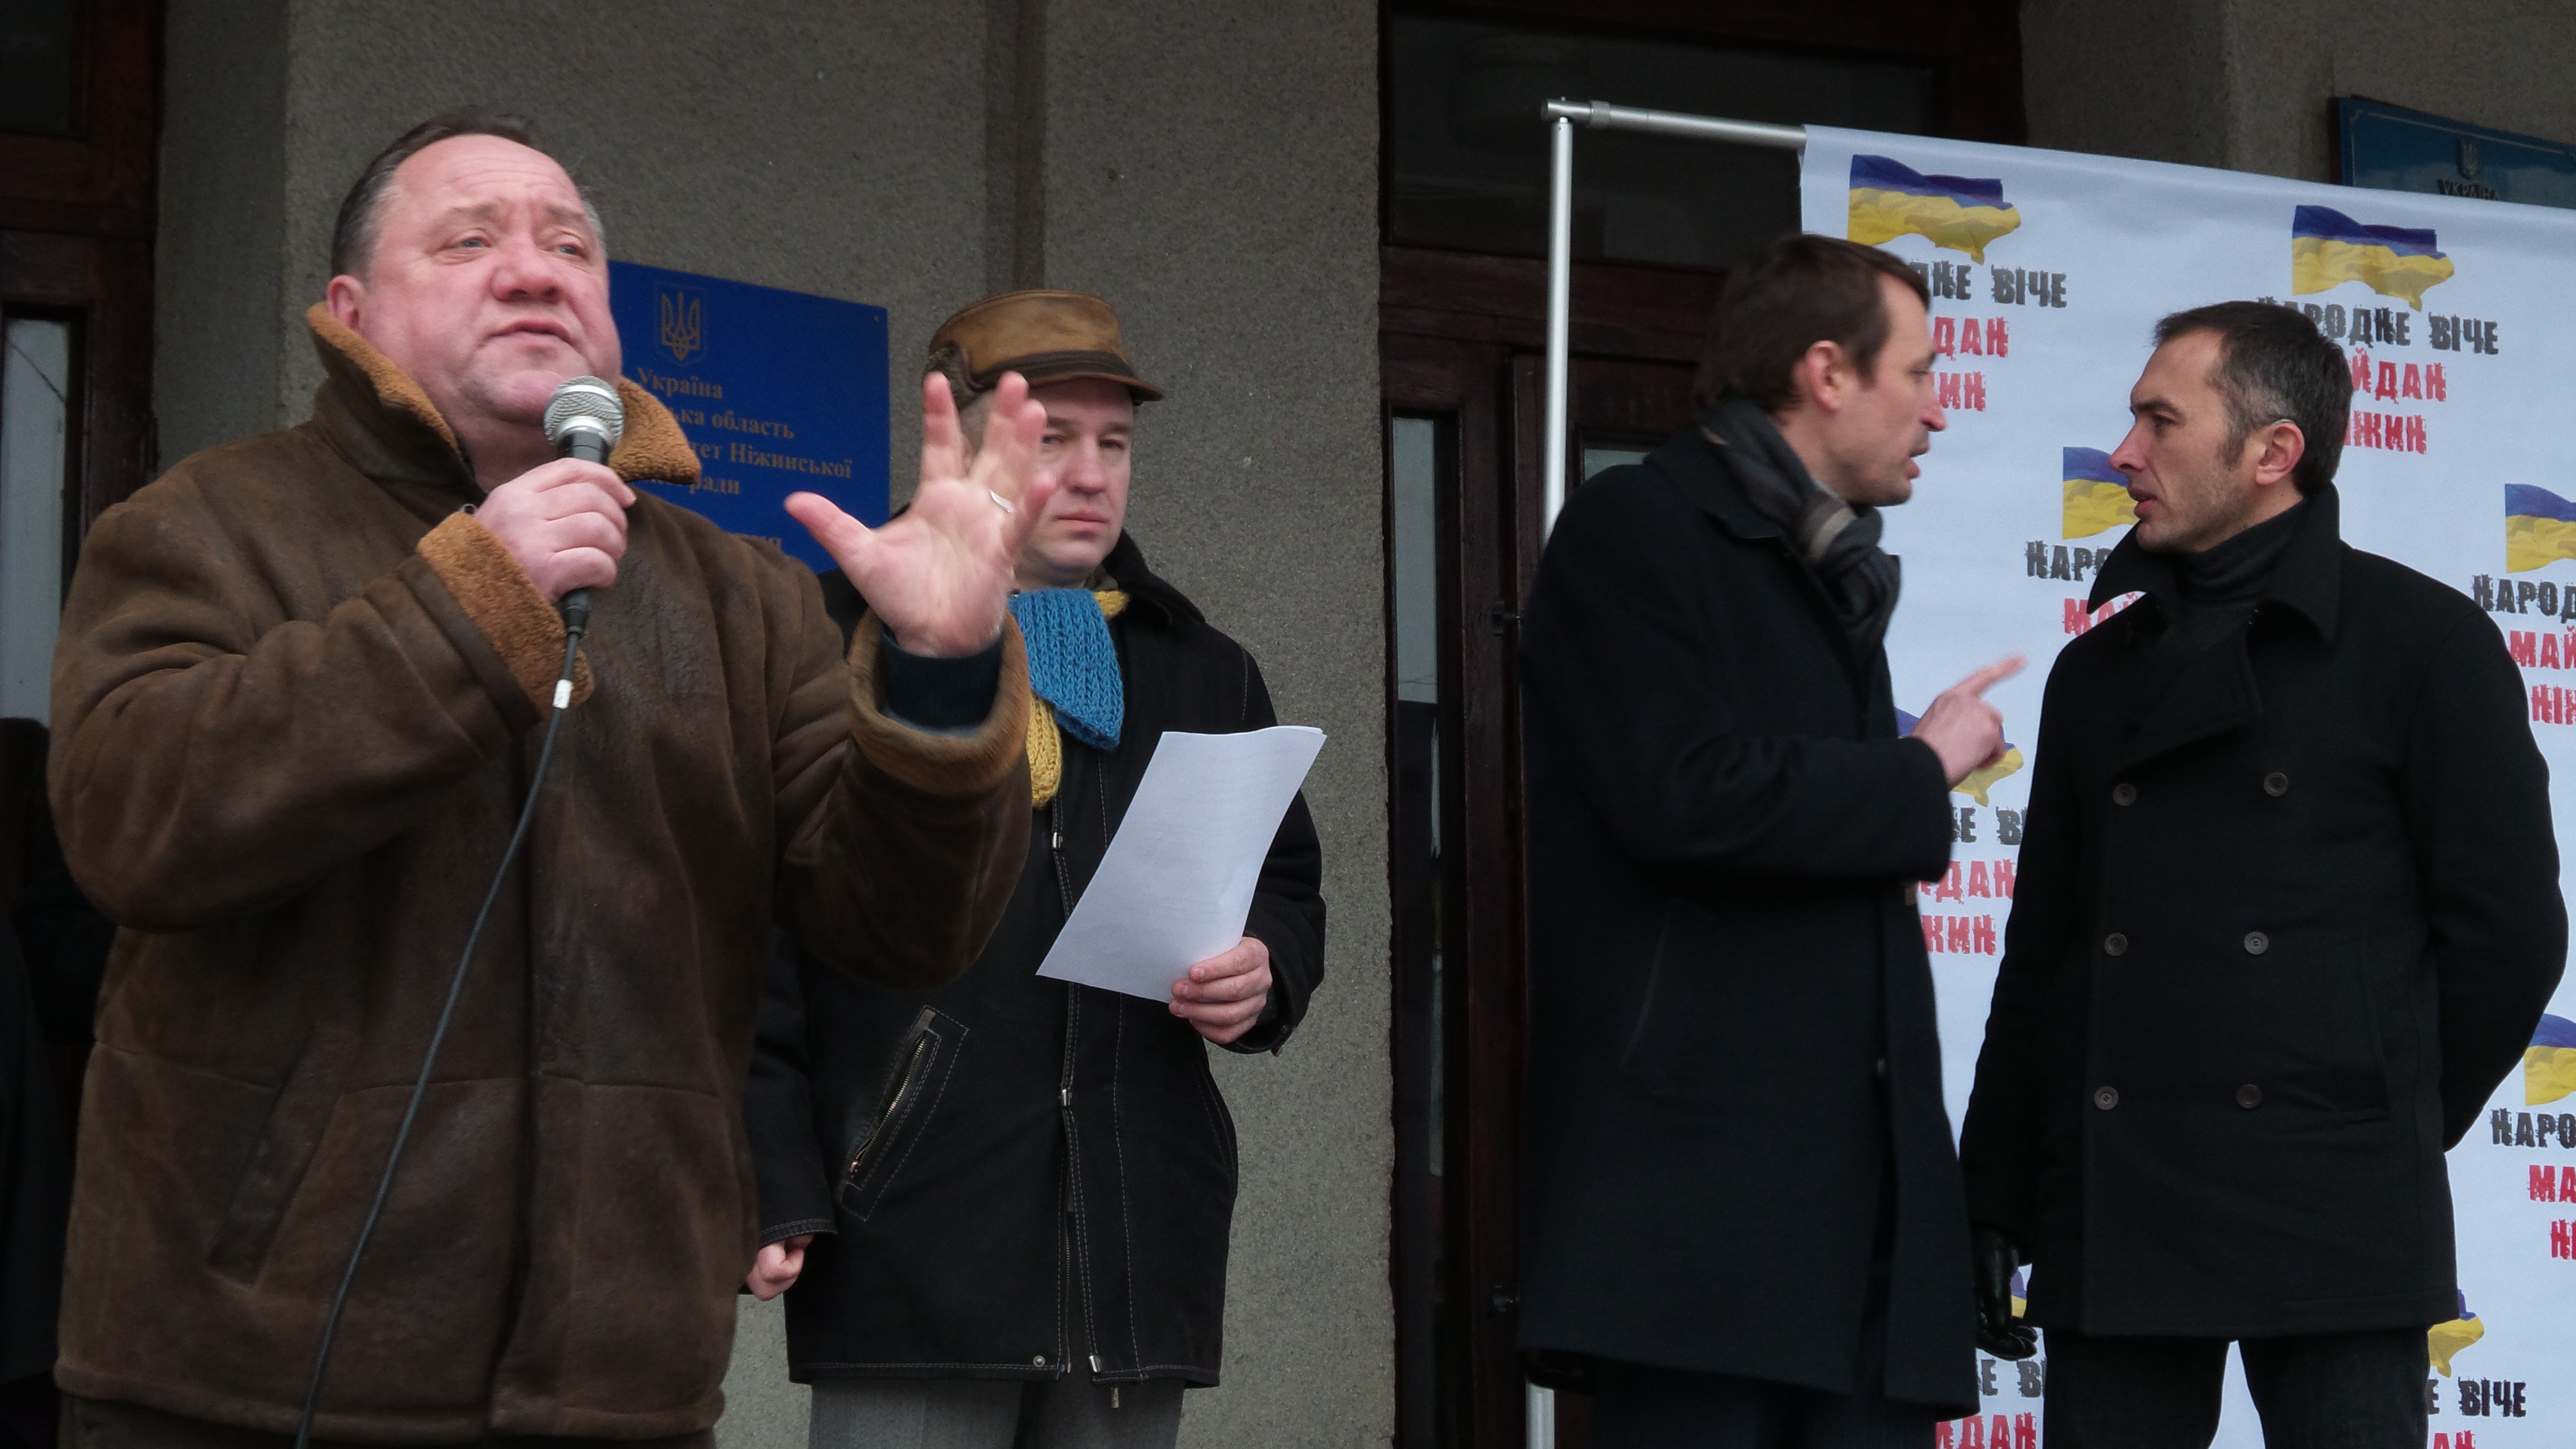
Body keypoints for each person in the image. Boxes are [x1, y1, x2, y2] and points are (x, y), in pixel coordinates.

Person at [44, 108, 1052, 1448]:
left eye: (571, 247)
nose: (534, 270)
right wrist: (477, 598)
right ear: (349, 312)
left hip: (620, 1386)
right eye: (469, 241)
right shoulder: (205, 527)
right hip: (239, 1378)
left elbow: (904, 925)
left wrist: (939, 677)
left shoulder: (741, 598)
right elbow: (134, 821)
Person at [1958, 302, 2565, 1448]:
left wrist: (2376, 1114)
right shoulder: (2095, 674)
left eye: (2160, 421)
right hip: (2121, 1200)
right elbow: (2043, 959)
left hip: (2335, 1210)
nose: (2123, 453)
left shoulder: (2424, 644)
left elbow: (2511, 936)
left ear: (2273, 451)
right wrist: (1993, 1193)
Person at [739, 290, 1325, 1449]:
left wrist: (1266, 968)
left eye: (1116, 443)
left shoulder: (1204, 665)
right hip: (909, 1226)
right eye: (1052, 439)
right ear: (959, 446)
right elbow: (749, 936)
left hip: (1134, 1234)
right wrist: (774, 1173)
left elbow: (1286, 882)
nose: (1093, 475)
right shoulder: (827, 639)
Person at [1515, 231, 2014, 1447]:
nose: (1939, 412)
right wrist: (1918, 769)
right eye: (1921, 375)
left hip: (1854, 1232)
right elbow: (1682, 792)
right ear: (1827, 372)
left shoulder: (1828, 564)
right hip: (1700, 1227)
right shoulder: (1638, 526)